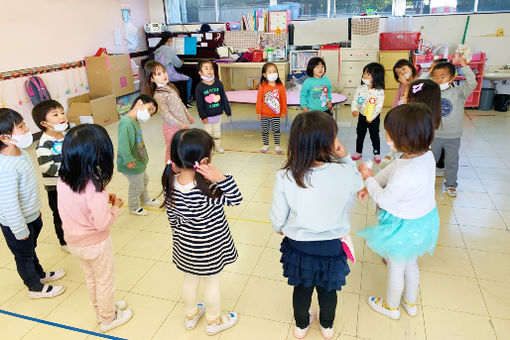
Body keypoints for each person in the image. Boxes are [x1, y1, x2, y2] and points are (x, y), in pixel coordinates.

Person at [270, 111, 363, 339]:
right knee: (328, 289)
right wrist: (345, 157)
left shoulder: (285, 175)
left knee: (302, 288)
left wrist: (280, 226)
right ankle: (327, 325)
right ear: (327, 144)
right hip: (332, 246)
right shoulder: (341, 171)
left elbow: (278, 214)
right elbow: (358, 182)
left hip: (300, 245)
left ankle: (301, 325)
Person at [357, 103, 439, 320]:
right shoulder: (423, 154)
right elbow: (391, 169)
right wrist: (371, 184)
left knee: (396, 266)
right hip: (422, 222)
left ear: (405, 138)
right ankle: (410, 303)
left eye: (390, 134)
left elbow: (384, 199)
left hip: (400, 226)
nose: (387, 137)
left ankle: (391, 306)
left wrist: (367, 177)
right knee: (410, 262)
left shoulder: (406, 174)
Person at [162, 129, 242, 335]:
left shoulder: (170, 183)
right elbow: (236, 199)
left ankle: (190, 316)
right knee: (212, 282)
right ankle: (213, 322)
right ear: (205, 159)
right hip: (210, 247)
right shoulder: (209, 188)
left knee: (190, 279)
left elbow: (173, 220)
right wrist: (221, 178)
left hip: (186, 246)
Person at [57, 124, 132, 332]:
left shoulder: (63, 178)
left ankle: (101, 310)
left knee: (92, 280)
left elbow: (76, 204)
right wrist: (115, 208)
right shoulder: (95, 185)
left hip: (74, 242)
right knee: (105, 281)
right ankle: (108, 319)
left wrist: (103, 200)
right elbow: (102, 223)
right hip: (96, 244)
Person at [0, 108, 65, 299]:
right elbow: (8, 204)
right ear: (5, 138)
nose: (27, 129)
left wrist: (35, 211)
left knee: (31, 250)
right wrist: (20, 230)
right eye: (20, 127)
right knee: (24, 257)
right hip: (17, 223)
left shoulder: (21, 153)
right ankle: (34, 287)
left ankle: (40, 275)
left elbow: (27, 188)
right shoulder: (5, 168)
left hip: (31, 216)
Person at [430, 54, 476, 197]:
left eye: (442, 76)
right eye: (435, 77)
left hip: (453, 136)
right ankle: (425, 183)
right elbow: (420, 83)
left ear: (452, 78)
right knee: (429, 161)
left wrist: (464, 66)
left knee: (452, 162)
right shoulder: (431, 93)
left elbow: (472, 83)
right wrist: (429, 70)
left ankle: (451, 184)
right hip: (434, 135)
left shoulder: (459, 92)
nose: (438, 80)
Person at [31, 100, 69, 252]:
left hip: (71, 184)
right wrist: (70, 171)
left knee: (72, 211)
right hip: (56, 187)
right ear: (44, 123)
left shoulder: (67, 135)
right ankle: (64, 241)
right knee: (60, 215)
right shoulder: (44, 144)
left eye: (62, 112)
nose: (61, 116)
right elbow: (47, 167)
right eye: (55, 114)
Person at [117, 95, 161, 216]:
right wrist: (128, 159)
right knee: (137, 185)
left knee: (144, 180)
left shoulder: (135, 121)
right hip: (130, 162)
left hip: (138, 161)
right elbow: (123, 143)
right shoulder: (126, 122)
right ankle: (133, 206)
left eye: (152, 113)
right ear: (139, 103)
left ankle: (145, 199)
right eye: (149, 109)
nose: (149, 114)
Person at [382, 79, 441, 166]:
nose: (401, 99)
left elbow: (399, 151)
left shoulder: (413, 128)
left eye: (403, 95)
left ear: (414, 100)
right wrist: (389, 155)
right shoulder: (421, 123)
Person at [144, 60, 194, 163]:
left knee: (180, 148)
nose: (163, 75)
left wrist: (188, 116)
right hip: (171, 128)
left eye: (164, 71)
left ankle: (179, 167)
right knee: (172, 150)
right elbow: (166, 115)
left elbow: (180, 103)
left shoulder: (169, 87)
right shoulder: (158, 95)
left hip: (181, 124)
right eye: (158, 74)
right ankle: (170, 170)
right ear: (152, 79)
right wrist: (180, 125)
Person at [351, 62, 385, 163]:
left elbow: (379, 106)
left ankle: (376, 153)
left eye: (368, 74)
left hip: (373, 119)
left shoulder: (379, 91)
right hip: (362, 116)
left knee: (374, 136)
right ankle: (358, 152)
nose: (364, 75)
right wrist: (354, 109)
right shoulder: (360, 89)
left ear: (376, 76)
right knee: (360, 134)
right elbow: (355, 100)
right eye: (364, 73)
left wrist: (371, 117)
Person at [195, 60, 231, 154]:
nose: (209, 70)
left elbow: (223, 97)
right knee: (208, 134)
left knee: (217, 132)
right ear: (200, 72)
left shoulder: (218, 83)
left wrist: (227, 110)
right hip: (207, 116)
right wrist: (203, 116)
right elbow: (199, 104)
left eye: (211, 68)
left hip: (217, 115)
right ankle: (210, 148)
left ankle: (217, 146)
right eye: (206, 68)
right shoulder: (200, 87)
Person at [154, 32, 193, 108]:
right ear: (169, 39)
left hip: (159, 76)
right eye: (172, 38)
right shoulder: (168, 50)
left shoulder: (157, 50)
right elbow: (178, 65)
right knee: (189, 79)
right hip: (169, 75)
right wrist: (181, 62)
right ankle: (187, 101)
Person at [256, 62, 287, 154]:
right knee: (265, 130)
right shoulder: (262, 86)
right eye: (270, 72)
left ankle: (277, 145)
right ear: (265, 75)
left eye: (275, 71)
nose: (273, 73)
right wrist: (259, 112)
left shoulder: (281, 87)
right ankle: (266, 144)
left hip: (276, 115)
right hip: (264, 114)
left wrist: (283, 112)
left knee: (276, 130)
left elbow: (283, 100)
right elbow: (259, 100)